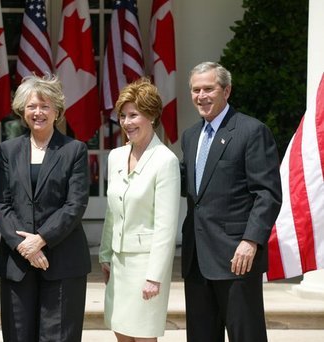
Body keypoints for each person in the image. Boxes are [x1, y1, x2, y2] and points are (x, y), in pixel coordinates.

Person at [180, 62, 282, 342]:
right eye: (195, 90)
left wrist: (252, 241)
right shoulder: (190, 137)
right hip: (197, 260)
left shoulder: (251, 131)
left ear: (226, 90)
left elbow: (268, 194)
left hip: (237, 258)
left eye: (208, 89)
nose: (201, 96)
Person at [0, 74, 92, 341]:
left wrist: (41, 239)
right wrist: (24, 246)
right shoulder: (8, 150)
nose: (38, 112)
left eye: (45, 106)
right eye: (32, 106)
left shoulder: (75, 150)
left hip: (63, 262)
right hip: (18, 263)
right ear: (22, 111)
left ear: (57, 111)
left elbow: (75, 204)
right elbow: (2, 204)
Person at [99, 77, 181, 341]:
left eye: (134, 115)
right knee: (121, 332)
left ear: (152, 116)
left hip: (146, 266)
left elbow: (166, 226)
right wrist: (105, 254)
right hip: (118, 265)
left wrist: (154, 277)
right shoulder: (115, 157)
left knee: (144, 336)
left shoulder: (165, 161)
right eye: (123, 116)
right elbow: (113, 211)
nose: (127, 123)